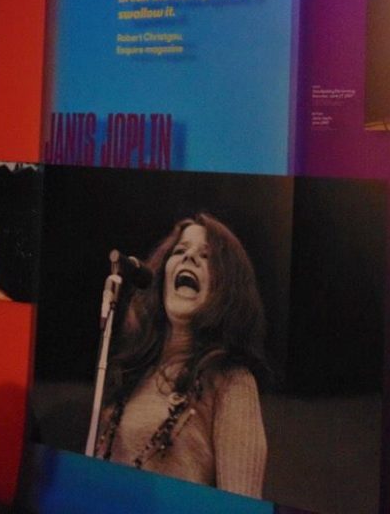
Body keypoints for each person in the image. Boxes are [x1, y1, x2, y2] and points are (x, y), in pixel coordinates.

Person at [96, 213, 268, 498]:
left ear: (227, 288)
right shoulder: (132, 373)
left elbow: (242, 504)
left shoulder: (232, 381)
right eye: (180, 251)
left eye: (206, 256)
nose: (189, 257)